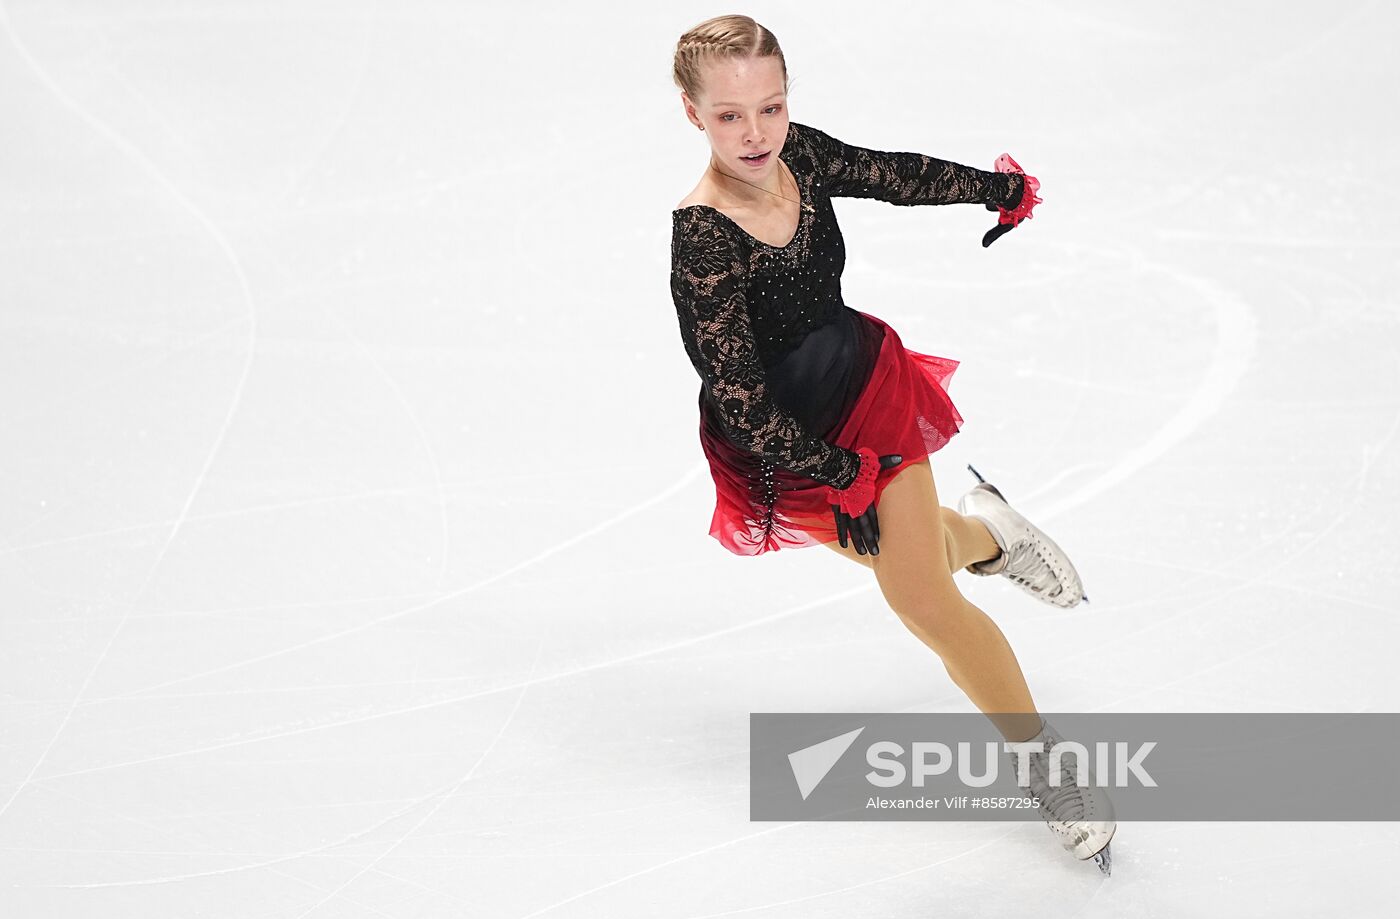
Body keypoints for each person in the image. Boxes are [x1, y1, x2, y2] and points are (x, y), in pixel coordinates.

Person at [668, 15, 1115, 875]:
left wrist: (991, 189)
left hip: (865, 392)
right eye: (730, 116)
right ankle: (992, 535)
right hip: (786, 451)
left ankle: (1047, 763)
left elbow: (892, 174)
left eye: (771, 106)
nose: (756, 133)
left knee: (918, 599)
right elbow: (740, 396)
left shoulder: (802, 154)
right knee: (915, 561)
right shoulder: (702, 237)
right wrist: (843, 476)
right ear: (693, 114)